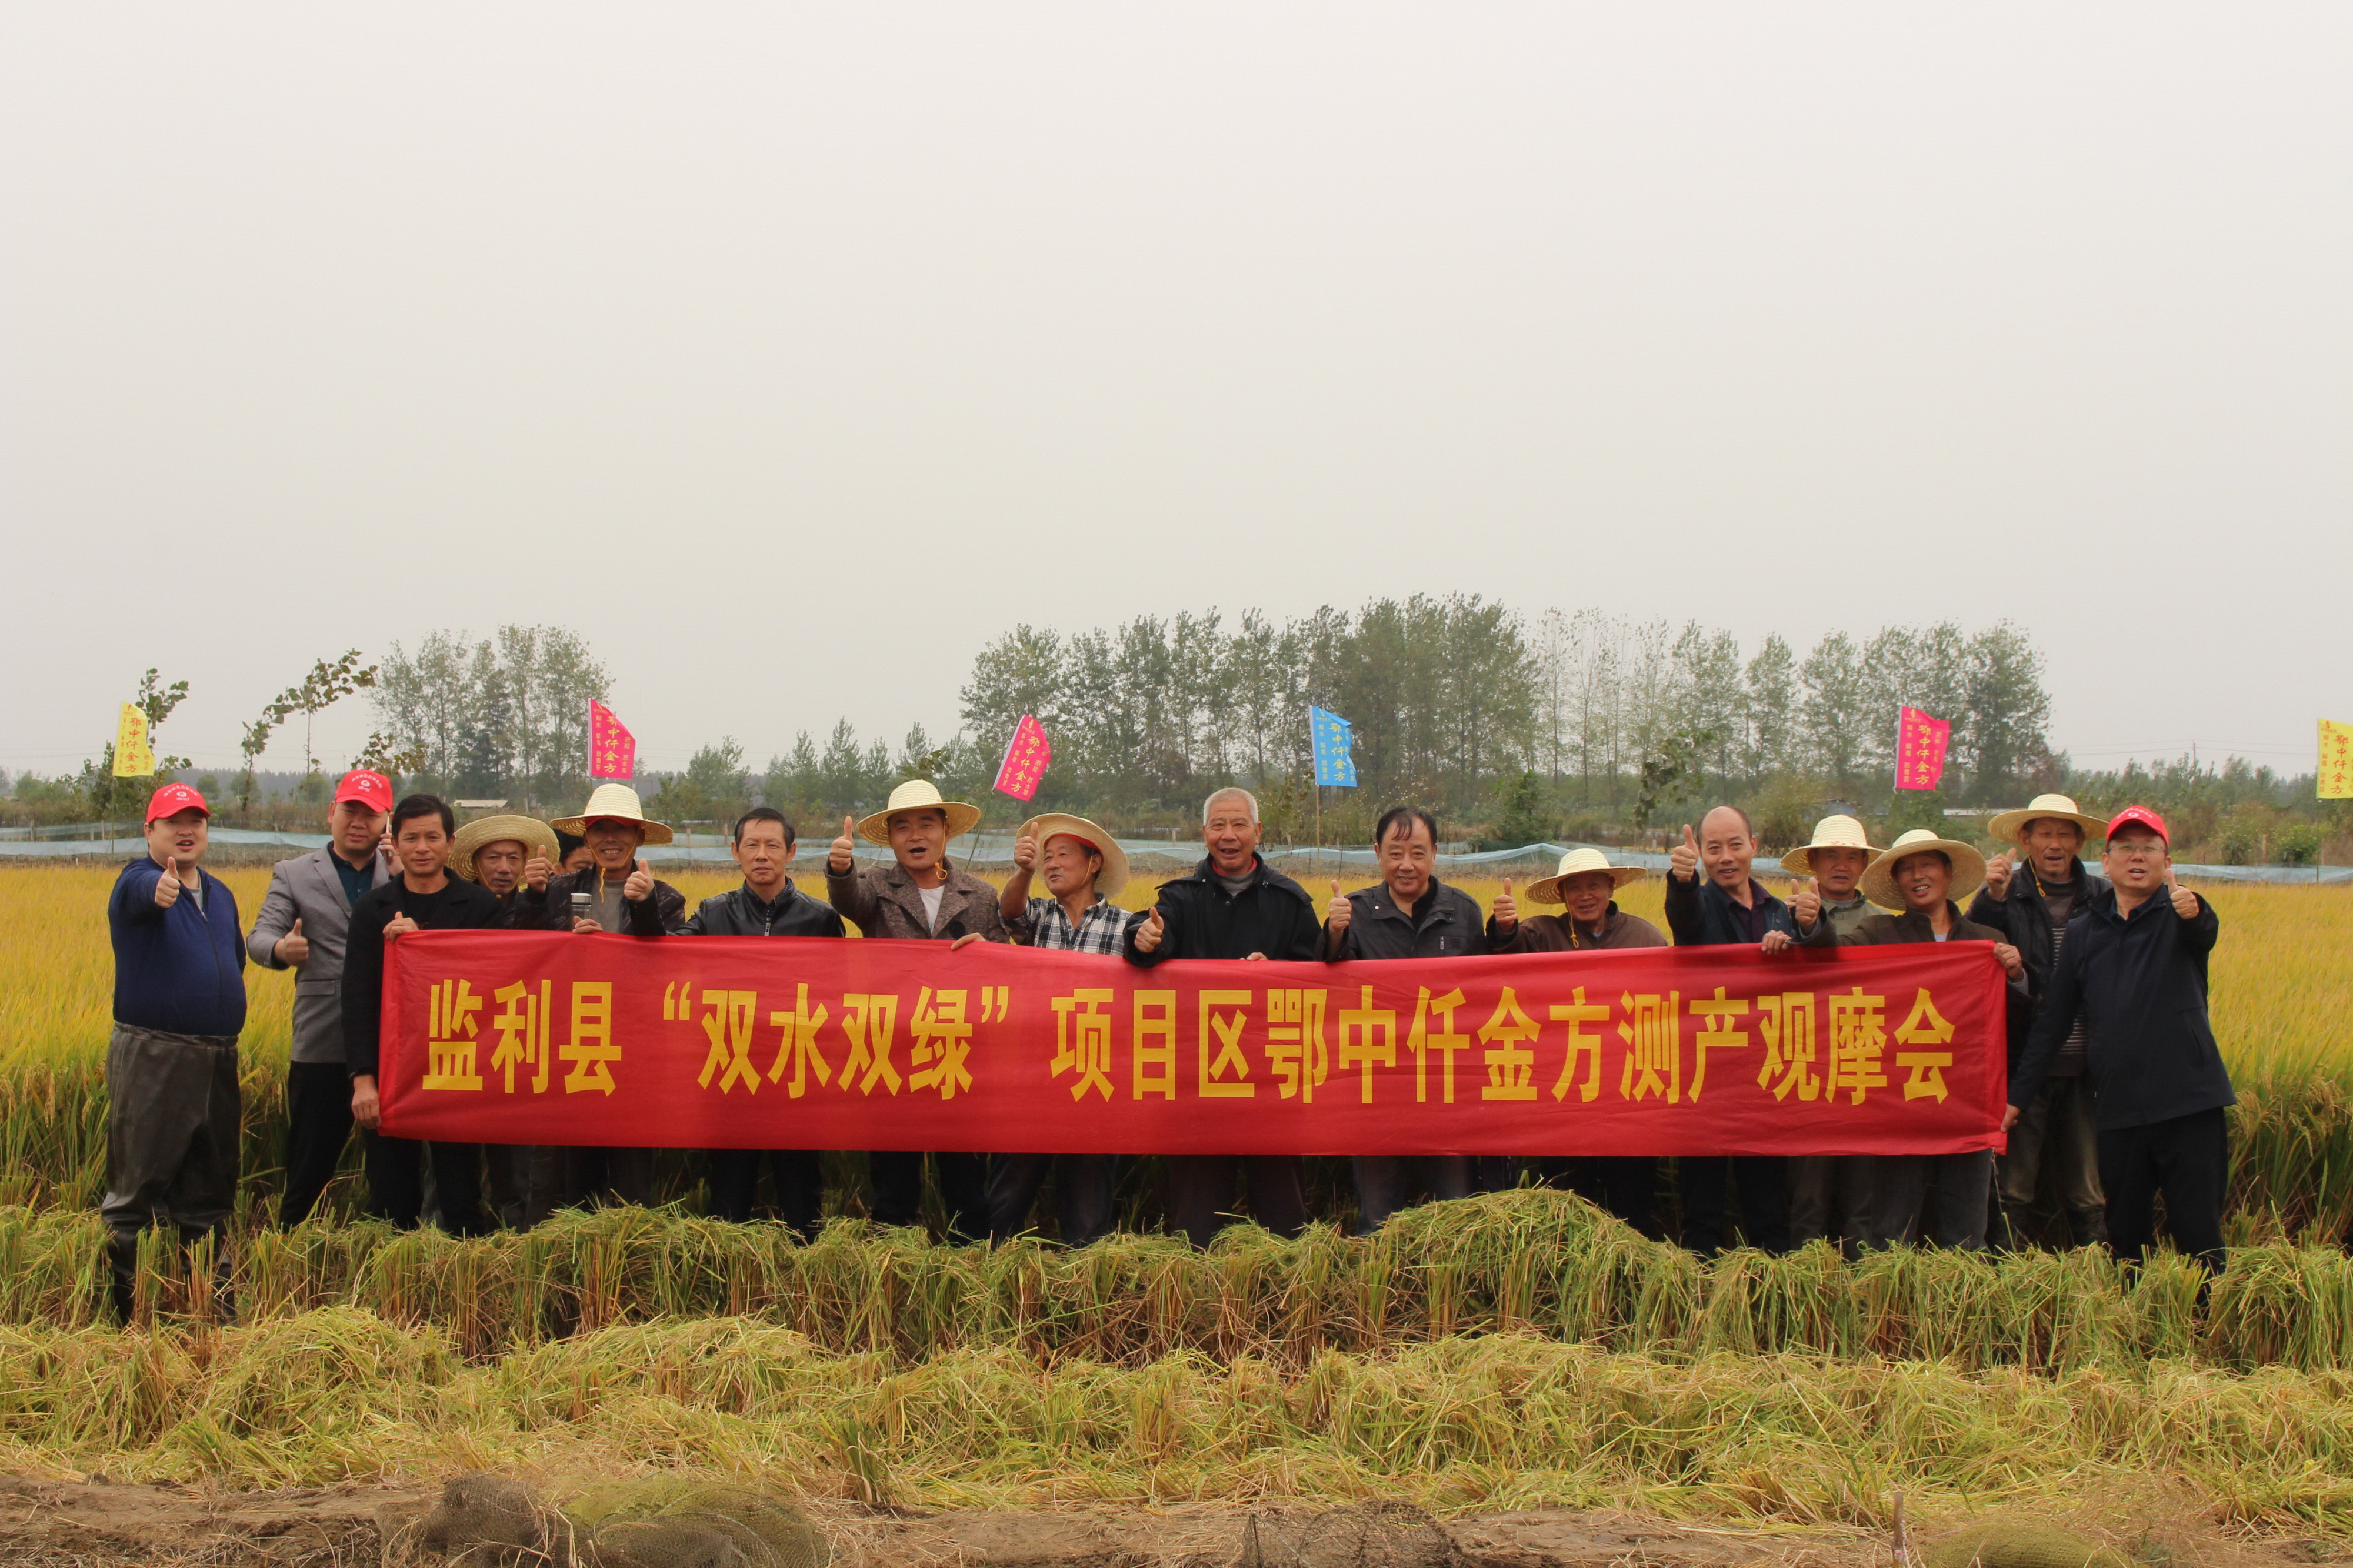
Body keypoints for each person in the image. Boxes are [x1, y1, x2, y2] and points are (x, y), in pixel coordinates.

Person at [2004, 808, 2231, 1274]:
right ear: (2105, 862)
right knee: (2126, 1236)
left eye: (2149, 848)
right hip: (2119, 1109)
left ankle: (2205, 1318)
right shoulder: (2085, 931)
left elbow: (2203, 929)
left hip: (2190, 1104)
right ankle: (2132, 1318)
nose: (2137, 857)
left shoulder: (2180, 914)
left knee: (2199, 1235)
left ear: (2167, 862)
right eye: (2126, 848)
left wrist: (2195, 910)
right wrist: (2017, 1099)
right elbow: (2054, 1021)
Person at [1808, 829, 2028, 1250]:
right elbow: (1833, 956)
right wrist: (1811, 924)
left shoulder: (1986, 942)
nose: (1917, 875)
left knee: (1967, 1232)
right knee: (1892, 1232)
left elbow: (2014, 1025)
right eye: (1907, 869)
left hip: (1967, 1102)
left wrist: (2016, 975)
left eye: (1927, 865)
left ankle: (1962, 1293)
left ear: (1948, 873)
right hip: (1901, 1103)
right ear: (1897, 882)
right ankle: (1894, 1293)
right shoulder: (1878, 933)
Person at [1125, 786, 1322, 1247]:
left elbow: (1317, 975)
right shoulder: (1181, 898)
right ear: (1204, 833)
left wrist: (1276, 973)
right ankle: (1195, 1280)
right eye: (1218, 826)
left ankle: (1285, 1279)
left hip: (1271, 1075)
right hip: (1198, 1075)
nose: (1228, 835)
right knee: (1195, 1213)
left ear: (1258, 832)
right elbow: (1150, 935)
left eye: (1238, 825)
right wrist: (1143, 936)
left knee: (1281, 1211)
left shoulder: (1290, 901)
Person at [826, 779, 1007, 1239]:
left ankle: (969, 1259)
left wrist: (990, 951)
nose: (915, 835)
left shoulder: (981, 895)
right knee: (894, 1178)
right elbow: (850, 900)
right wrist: (840, 870)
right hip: (892, 1053)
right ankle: (894, 1256)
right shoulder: (876, 886)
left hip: (958, 1055)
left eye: (926, 824)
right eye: (902, 827)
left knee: (965, 1179)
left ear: (945, 831)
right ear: (890, 838)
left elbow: (1005, 968)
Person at [102, 783, 247, 1322]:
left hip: (218, 1058)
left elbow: (232, 960)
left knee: (209, 1196)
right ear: (150, 831)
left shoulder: (221, 894)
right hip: (155, 1055)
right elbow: (139, 894)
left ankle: (213, 1317)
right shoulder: (138, 880)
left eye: (196, 822)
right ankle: (125, 1321)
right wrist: (158, 890)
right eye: (173, 823)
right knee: (135, 1196)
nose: (187, 832)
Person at [1324, 807, 1496, 1232]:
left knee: (1454, 1208)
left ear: (1435, 853)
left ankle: (1448, 1273)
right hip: (1377, 1081)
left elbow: (1488, 991)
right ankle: (1376, 1273)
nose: (1406, 865)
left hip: (1446, 1082)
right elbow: (1328, 982)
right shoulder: (1355, 911)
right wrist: (1334, 933)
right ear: (1377, 853)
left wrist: (1507, 933)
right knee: (1377, 1214)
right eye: (1396, 852)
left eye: (1418, 853)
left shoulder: (1464, 912)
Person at [517, 784, 688, 1209]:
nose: (610, 839)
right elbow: (522, 954)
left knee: (632, 1170)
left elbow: (669, 963)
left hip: (635, 1048)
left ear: (639, 836)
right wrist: (534, 899)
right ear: (587, 836)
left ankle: (630, 1243)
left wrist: (643, 907)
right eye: (600, 829)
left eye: (622, 829)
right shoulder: (557, 890)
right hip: (572, 1044)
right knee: (576, 1165)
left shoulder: (665, 897)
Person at [341, 793, 504, 1233]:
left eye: (433, 837)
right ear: (395, 843)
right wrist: (363, 1080)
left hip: (459, 1069)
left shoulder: (481, 907)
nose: (422, 848)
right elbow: (357, 999)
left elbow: (493, 987)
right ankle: (397, 1275)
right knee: (391, 1198)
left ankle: (463, 1275)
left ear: (451, 843)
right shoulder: (371, 910)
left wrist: (422, 945)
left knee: (461, 1198)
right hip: (392, 1068)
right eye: (411, 838)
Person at [679, 806, 846, 1235]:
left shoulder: (821, 918)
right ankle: (727, 1261)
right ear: (735, 851)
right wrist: (640, 909)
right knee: (729, 1182)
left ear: (791, 852)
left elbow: (840, 991)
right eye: (751, 845)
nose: (761, 855)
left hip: (797, 1067)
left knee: (800, 1181)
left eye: (773, 845)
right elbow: (668, 956)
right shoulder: (713, 914)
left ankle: (805, 1260)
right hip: (730, 1064)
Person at [244, 769, 395, 1227]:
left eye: (370, 815)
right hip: (322, 1035)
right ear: (332, 812)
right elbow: (258, 937)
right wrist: (281, 949)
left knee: (391, 1161)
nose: (358, 822)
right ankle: (290, 1240)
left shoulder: (403, 871)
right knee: (311, 1155)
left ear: (387, 822)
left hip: (390, 1035)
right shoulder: (293, 873)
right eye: (350, 811)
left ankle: (388, 1241)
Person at [1489, 846, 1664, 1235]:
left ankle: (1629, 1261)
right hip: (1563, 1089)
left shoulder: (1645, 938)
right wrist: (1504, 928)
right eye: (1574, 888)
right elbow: (1504, 960)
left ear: (1611, 887)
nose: (1585, 896)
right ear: (1562, 895)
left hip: (1627, 1092)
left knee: (1630, 1200)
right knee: (1566, 1199)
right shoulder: (1540, 933)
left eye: (1594, 886)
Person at [988, 812, 1138, 1246]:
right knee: (1007, 1193)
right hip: (1033, 1078)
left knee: (1087, 1205)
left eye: (1063, 855)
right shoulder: (1038, 916)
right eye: (1046, 857)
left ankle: (1083, 1280)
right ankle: (992, 1266)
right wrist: (1023, 871)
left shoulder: (1125, 924)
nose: (1052, 864)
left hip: (1096, 1078)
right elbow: (1009, 912)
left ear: (1094, 863)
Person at [1969, 792, 2111, 1250]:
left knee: (2087, 1185)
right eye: (2045, 833)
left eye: (2065, 834)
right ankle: (2005, 1273)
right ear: (2025, 839)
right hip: (2023, 1062)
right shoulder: (2004, 893)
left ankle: (2093, 1269)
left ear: (2079, 842)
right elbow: (1973, 946)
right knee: (2014, 1183)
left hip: (2087, 1064)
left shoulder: (2103, 897)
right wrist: (1991, 899)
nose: (2055, 843)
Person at [1663, 808, 1793, 1253]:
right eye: (1713, 848)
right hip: (1708, 1073)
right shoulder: (1700, 902)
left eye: (1735, 845)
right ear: (1700, 853)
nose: (1725, 858)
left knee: (1767, 1198)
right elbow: (1685, 920)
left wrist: (1806, 932)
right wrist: (1682, 881)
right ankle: (1699, 1284)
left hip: (1768, 1073)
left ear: (1754, 846)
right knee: (1703, 1200)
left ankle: (1769, 1281)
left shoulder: (1779, 911)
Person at [1770, 814, 1882, 1251]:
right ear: (1813, 863)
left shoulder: (1884, 923)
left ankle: (1863, 1281)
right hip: (1806, 1069)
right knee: (1807, 1194)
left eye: (1852, 857)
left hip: (1863, 1070)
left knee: (1862, 1195)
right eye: (1831, 856)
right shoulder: (1780, 915)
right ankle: (1805, 1279)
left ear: (1864, 865)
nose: (1841, 865)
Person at [446, 811, 561, 1228]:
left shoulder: (544, 905)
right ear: (475, 863)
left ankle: (511, 1240)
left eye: (514, 858)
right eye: (493, 858)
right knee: (450, 1156)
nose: (504, 868)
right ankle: (447, 1235)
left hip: (519, 1050)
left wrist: (538, 898)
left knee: (515, 1163)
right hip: (461, 1047)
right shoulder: (454, 908)